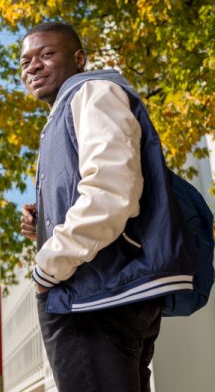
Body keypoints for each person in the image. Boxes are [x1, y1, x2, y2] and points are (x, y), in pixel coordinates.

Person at [18, 22, 194, 392]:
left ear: (78, 58)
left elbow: (111, 192)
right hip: (103, 292)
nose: (32, 66)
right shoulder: (68, 109)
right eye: (24, 61)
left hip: (93, 298)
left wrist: (46, 267)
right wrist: (48, 224)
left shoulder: (92, 91)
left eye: (46, 54)